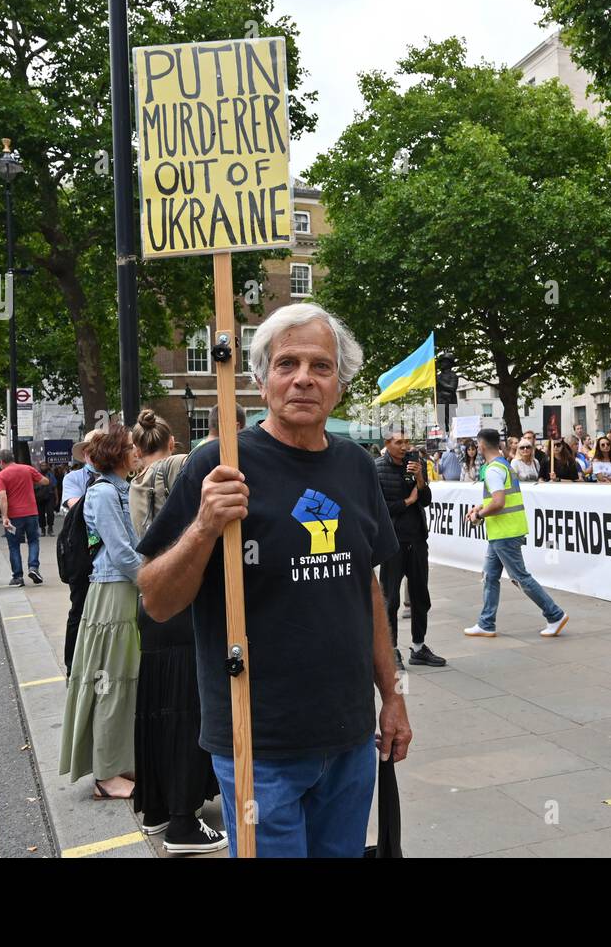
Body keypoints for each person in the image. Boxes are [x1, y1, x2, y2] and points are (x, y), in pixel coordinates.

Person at [137, 304, 411, 858]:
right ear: (261, 382)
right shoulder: (221, 463)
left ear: (339, 386)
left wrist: (394, 695)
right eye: (287, 363)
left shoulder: (356, 466)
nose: (304, 378)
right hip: (258, 742)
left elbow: (367, 591)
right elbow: (157, 600)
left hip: (350, 736)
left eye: (321, 366)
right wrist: (204, 528)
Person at [127, 408, 224, 854]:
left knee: (156, 711)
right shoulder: (184, 467)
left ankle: (157, 812)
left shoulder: (135, 483)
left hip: (154, 606)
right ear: (171, 443)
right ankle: (184, 823)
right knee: (187, 715)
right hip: (185, 600)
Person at [59, 423, 143, 802]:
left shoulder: (121, 490)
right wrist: (155, 581)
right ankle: (106, 776)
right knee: (111, 683)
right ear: (118, 454)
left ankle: (118, 763)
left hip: (121, 590)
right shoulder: (106, 493)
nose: (137, 451)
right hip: (112, 593)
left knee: (123, 682)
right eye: (131, 447)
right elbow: (122, 551)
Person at [463, 428, 568, 639]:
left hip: (505, 532)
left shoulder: (493, 469)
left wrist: (479, 515)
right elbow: (498, 498)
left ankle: (554, 614)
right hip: (504, 531)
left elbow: (499, 502)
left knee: (519, 577)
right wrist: (480, 508)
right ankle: (486, 623)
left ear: (481, 445)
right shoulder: (504, 465)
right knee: (490, 576)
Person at [376, 430, 445, 671]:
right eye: (398, 442)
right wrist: (406, 502)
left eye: (407, 442)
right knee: (390, 599)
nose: (404, 447)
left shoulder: (417, 465)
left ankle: (418, 647)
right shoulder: (377, 469)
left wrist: (420, 481)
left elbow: (425, 500)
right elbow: (377, 507)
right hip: (392, 542)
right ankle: (391, 649)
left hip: (417, 540)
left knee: (420, 596)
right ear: (387, 444)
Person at [61, 434, 98, 676]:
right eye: (92, 451)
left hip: (104, 556)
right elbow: (76, 506)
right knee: (79, 608)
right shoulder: (73, 478)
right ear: (85, 454)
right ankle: (72, 665)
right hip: (80, 554)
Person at [0, 450, 46, 586]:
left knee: (14, 546)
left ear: (1, 462)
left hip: (14, 516)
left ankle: (18, 577)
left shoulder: (1, 475)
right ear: (13, 458)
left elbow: (3, 496)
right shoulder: (27, 469)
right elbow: (45, 481)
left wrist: (5, 516)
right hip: (31, 512)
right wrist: (32, 481)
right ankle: (33, 567)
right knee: (33, 541)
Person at [35, 462, 58, 536]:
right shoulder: (37, 475)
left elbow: (55, 487)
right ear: (40, 466)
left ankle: (50, 529)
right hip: (39, 497)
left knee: (50, 513)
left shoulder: (51, 475)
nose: (43, 467)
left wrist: (57, 498)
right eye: (42, 465)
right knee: (40, 514)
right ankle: (42, 529)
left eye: (45, 465)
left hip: (50, 496)